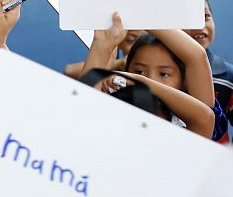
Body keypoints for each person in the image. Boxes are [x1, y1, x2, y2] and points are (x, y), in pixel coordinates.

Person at [81, 14, 221, 140]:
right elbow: (81, 110)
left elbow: (197, 57)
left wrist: (139, 14)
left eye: (164, 74)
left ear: (184, 82)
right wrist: (102, 44)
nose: (152, 79)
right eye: (140, 71)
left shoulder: (188, 130)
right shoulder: (108, 119)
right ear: (125, 70)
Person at [183, 0, 233, 144]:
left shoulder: (228, 77)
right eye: (189, 20)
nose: (199, 26)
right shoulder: (158, 70)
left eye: (205, 17)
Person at [63, 30, 144, 79]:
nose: (137, 46)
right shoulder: (116, 70)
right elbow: (69, 70)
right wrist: (118, 63)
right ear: (120, 43)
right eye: (130, 40)